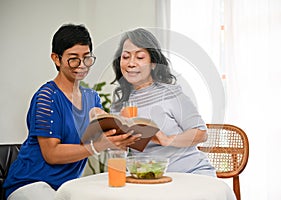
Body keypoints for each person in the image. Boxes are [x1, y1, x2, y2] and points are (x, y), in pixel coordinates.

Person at [3, 24, 140, 200]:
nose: (82, 65)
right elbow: (51, 154)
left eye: (87, 58)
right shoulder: (46, 97)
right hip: (30, 184)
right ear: (56, 59)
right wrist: (97, 146)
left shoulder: (92, 97)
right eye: (73, 59)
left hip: (65, 188)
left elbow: (104, 130)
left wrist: (123, 132)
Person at [111, 28, 216, 177]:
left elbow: (201, 134)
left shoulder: (171, 94)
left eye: (140, 57)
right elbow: (120, 151)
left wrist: (167, 140)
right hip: (147, 177)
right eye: (126, 57)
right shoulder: (119, 105)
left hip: (191, 173)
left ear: (153, 63)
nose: (131, 63)